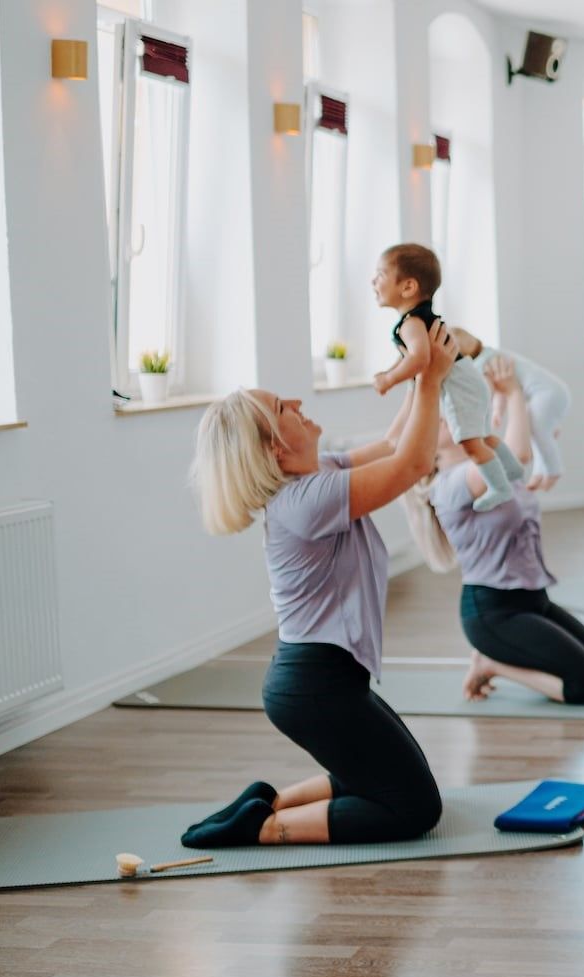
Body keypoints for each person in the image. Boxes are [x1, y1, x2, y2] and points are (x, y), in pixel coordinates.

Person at [181, 321, 457, 848]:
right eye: (282, 407)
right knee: (415, 808)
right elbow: (414, 464)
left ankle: (269, 801)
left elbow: (394, 445)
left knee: (384, 776)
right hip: (315, 687)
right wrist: (430, 380)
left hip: (320, 681)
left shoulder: (314, 476)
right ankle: (263, 829)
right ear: (274, 448)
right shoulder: (305, 503)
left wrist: (421, 372)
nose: (296, 402)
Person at [424, 357, 584, 705]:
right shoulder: (450, 485)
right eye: (439, 419)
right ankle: (491, 664)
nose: (448, 418)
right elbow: (517, 455)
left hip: (533, 599)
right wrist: (514, 392)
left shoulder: (485, 463)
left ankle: (494, 660)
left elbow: (514, 456)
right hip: (493, 613)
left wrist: (503, 397)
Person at [372, 244, 522, 512]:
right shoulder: (416, 320)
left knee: (470, 443)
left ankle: (499, 487)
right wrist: (390, 370)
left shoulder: (411, 323)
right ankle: (512, 469)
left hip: (460, 388)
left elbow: (418, 359)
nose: (373, 281)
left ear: (408, 287)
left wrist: (390, 379)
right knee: (483, 436)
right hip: (470, 382)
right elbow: (408, 355)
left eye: (380, 275)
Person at [451, 327, 571, 491]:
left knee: (539, 432)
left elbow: (487, 393)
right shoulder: (492, 355)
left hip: (546, 394)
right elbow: (501, 388)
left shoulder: (480, 365)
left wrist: (486, 412)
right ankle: (540, 470)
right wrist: (498, 411)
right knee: (537, 432)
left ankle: (553, 470)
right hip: (552, 391)